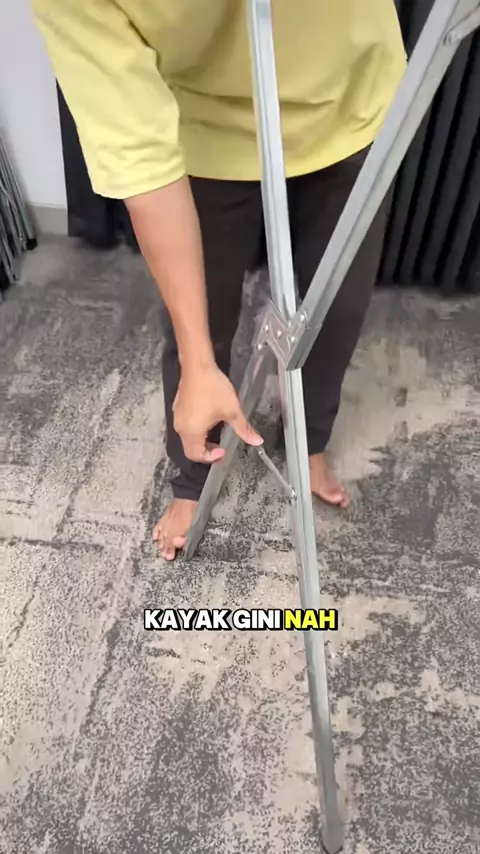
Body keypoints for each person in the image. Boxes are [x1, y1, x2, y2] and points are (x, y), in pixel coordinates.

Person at [33, 0, 406, 560]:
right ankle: (191, 476)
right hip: (204, 128)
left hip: (348, 99)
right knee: (196, 328)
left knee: (334, 312)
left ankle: (308, 441)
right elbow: (138, 159)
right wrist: (198, 362)